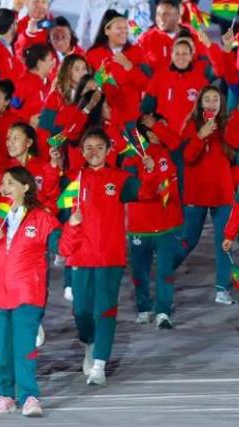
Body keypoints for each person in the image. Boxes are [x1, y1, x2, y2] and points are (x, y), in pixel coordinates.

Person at [57, 129, 161, 386]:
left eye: (99, 147)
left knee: (105, 311)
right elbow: (52, 199)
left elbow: (148, 194)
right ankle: (90, 342)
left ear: (108, 150)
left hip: (109, 257)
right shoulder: (73, 178)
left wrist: (149, 171)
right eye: (88, 147)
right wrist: (52, 166)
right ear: (81, 152)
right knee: (81, 311)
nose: (94, 152)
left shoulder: (120, 178)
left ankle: (100, 364)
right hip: (80, 256)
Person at [0, 166, 61, 417]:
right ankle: (4, 394)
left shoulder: (41, 217)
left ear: (25, 187)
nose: (3, 187)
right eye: (2, 183)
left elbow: (61, 244)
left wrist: (73, 226)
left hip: (26, 291)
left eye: (10, 183)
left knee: (23, 346)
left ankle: (29, 396)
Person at [177, 86, 236, 304]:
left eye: (215, 100)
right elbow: (188, 157)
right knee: (188, 239)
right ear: (200, 103)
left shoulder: (228, 126)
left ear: (221, 103)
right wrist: (200, 136)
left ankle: (223, 288)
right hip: (197, 193)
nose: (211, 104)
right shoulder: (191, 125)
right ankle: (165, 270)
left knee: (225, 241)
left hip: (222, 193)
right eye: (207, 100)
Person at [124, 121, 183, 328]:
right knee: (140, 271)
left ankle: (163, 312)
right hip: (141, 225)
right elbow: (137, 193)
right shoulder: (132, 158)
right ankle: (143, 307)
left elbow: (176, 143)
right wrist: (149, 175)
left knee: (165, 271)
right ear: (146, 135)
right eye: (155, 130)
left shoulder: (171, 152)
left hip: (167, 223)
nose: (161, 132)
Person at [85, 9, 151, 127]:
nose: (124, 31)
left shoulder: (138, 52)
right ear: (106, 30)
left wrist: (128, 66)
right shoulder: (92, 55)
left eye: (126, 28)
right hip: (102, 121)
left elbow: (146, 85)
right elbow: (86, 87)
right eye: (119, 28)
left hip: (131, 121)